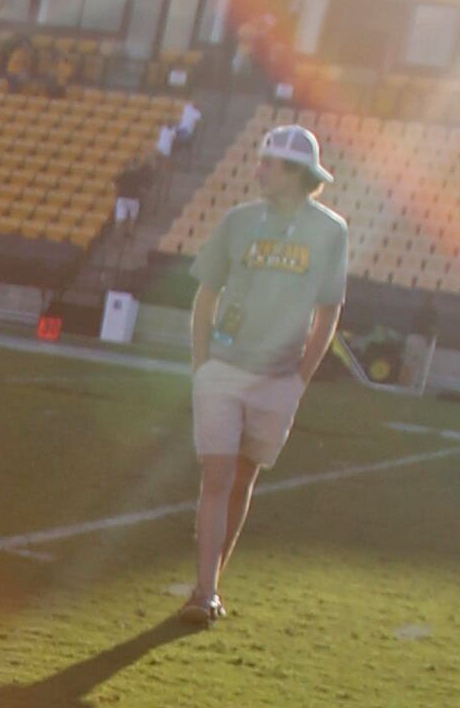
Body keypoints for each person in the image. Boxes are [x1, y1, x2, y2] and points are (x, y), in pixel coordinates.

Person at [181, 124, 353, 626]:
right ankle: (204, 591)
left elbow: (329, 310)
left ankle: (211, 583)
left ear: (296, 173)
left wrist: (300, 378)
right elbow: (206, 293)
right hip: (225, 370)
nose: (257, 170)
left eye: (268, 163)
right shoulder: (238, 222)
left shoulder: (331, 231)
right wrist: (200, 365)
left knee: (242, 482)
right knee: (217, 477)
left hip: (279, 380)